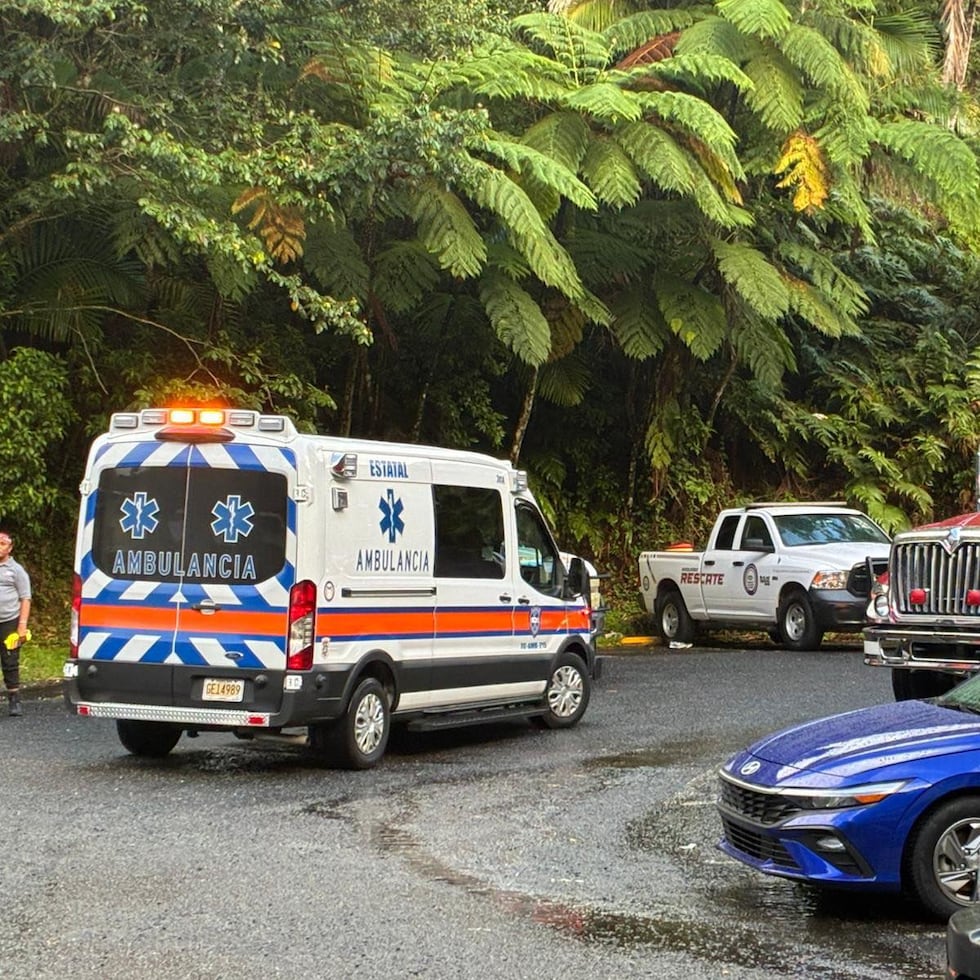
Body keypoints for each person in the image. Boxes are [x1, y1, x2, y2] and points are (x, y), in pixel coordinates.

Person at [0, 530, 31, 717]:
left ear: (10, 548)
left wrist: (22, 625)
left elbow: (25, 598)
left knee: (10, 660)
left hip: (9, 622)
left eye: (3, 543)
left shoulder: (16, 570)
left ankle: (14, 699)